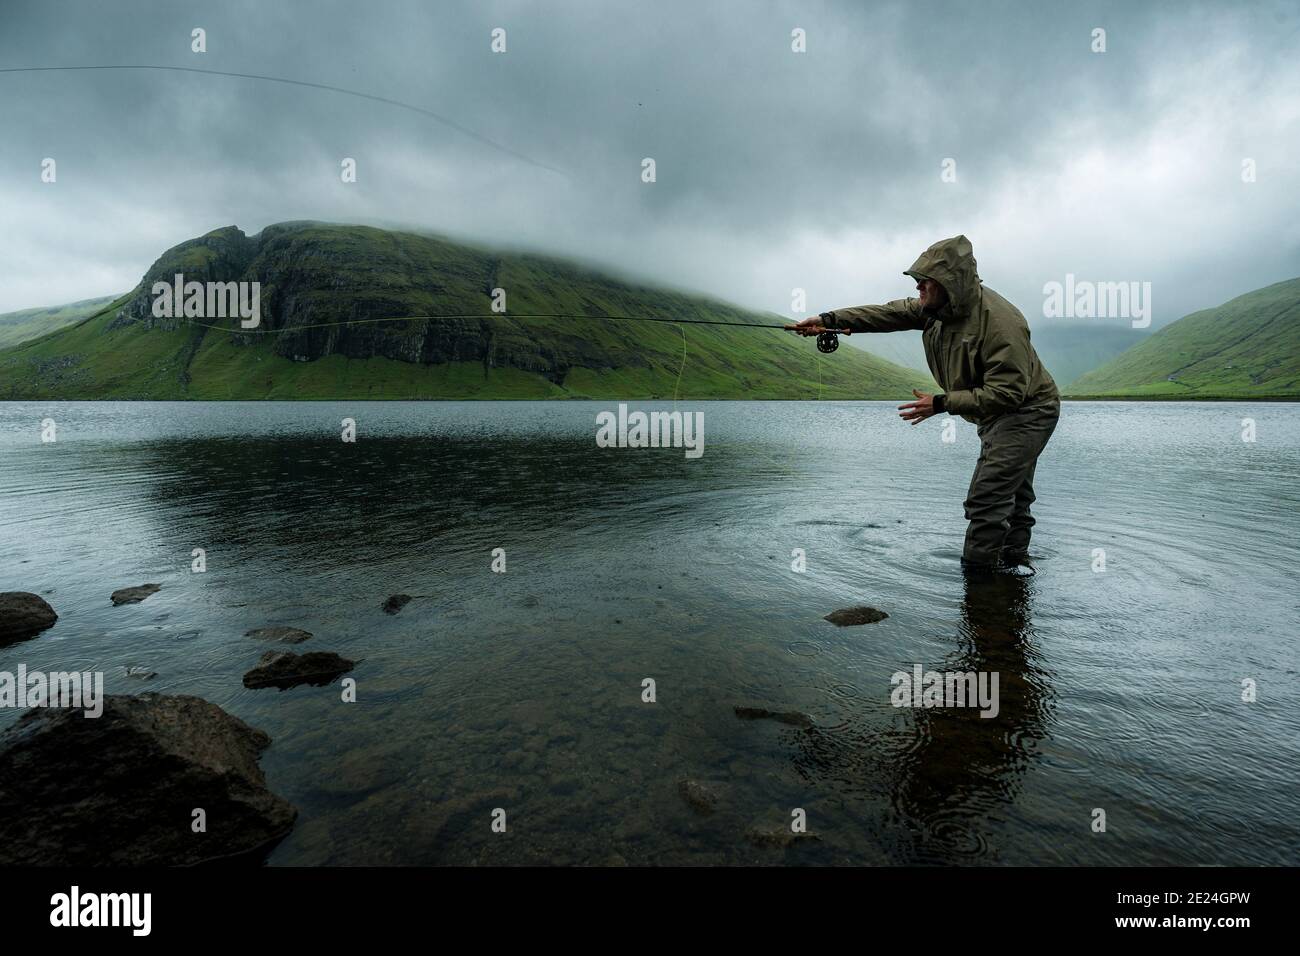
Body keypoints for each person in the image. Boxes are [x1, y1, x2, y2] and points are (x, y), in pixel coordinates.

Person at [789, 235, 1059, 574]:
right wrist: (828, 320)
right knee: (1013, 493)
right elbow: (887, 314)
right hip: (994, 412)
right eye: (916, 283)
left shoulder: (1001, 325)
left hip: (1026, 412)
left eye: (923, 283)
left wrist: (943, 403)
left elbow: (1008, 393)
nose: (917, 289)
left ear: (949, 284)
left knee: (987, 498)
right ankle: (1013, 571)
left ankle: (978, 580)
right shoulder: (937, 309)